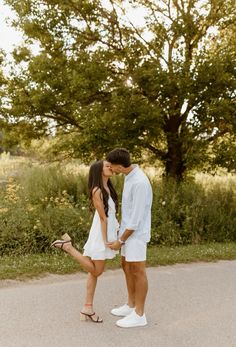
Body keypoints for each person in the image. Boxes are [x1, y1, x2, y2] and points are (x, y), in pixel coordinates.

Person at [51, 160, 119, 323]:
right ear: (99, 171)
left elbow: (111, 215)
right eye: (107, 166)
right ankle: (68, 248)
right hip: (101, 233)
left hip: (108, 230)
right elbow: (103, 217)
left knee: (93, 273)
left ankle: (87, 308)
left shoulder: (109, 188)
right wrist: (105, 240)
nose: (110, 168)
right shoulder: (97, 190)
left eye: (111, 165)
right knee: (97, 271)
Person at [106, 148, 153, 328]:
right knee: (126, 266)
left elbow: (136, 218)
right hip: (126, 233)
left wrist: (121, 240)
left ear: (119, 165)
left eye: (112, 166)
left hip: (136, 235)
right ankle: (131, 305)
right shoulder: (129, 176)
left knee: (138, 270)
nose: (111, 169)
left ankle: (140, 314)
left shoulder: (140, 182)